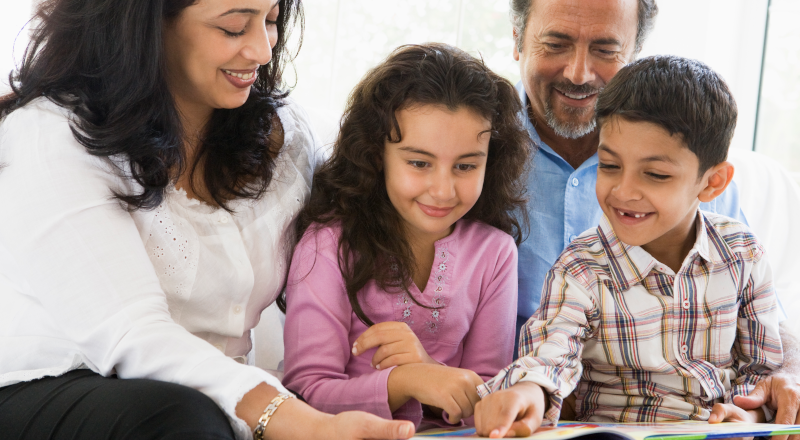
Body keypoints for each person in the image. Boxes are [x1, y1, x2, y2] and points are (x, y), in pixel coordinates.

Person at [0, 0, 416, 439]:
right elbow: (131, 335)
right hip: (55, 383)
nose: (262, 49)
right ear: (146, 24)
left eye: (271, 21)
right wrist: (297, 421)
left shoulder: (285, 133)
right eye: (235, 28)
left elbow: (380, 214)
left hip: (216, 405)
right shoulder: (49, 134)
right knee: (182, 415)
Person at [507, 0, 800, 431]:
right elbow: (548, 355)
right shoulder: (466, 151)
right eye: (556, 43)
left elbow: (763, 340)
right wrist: (529, 391)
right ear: (517, 40)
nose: (579, 72)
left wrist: (769, 394)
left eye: (606, 49)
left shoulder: (724, 223)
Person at [281, 43, 530, 430]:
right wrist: (405, 381)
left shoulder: (495, 253)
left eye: (465, 166)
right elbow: (305, 392)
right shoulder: (329, 243)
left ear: (490, 161)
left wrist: (428, 369)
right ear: (377, 153)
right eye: (418, 162)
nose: (443, 190)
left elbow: (489, 399)